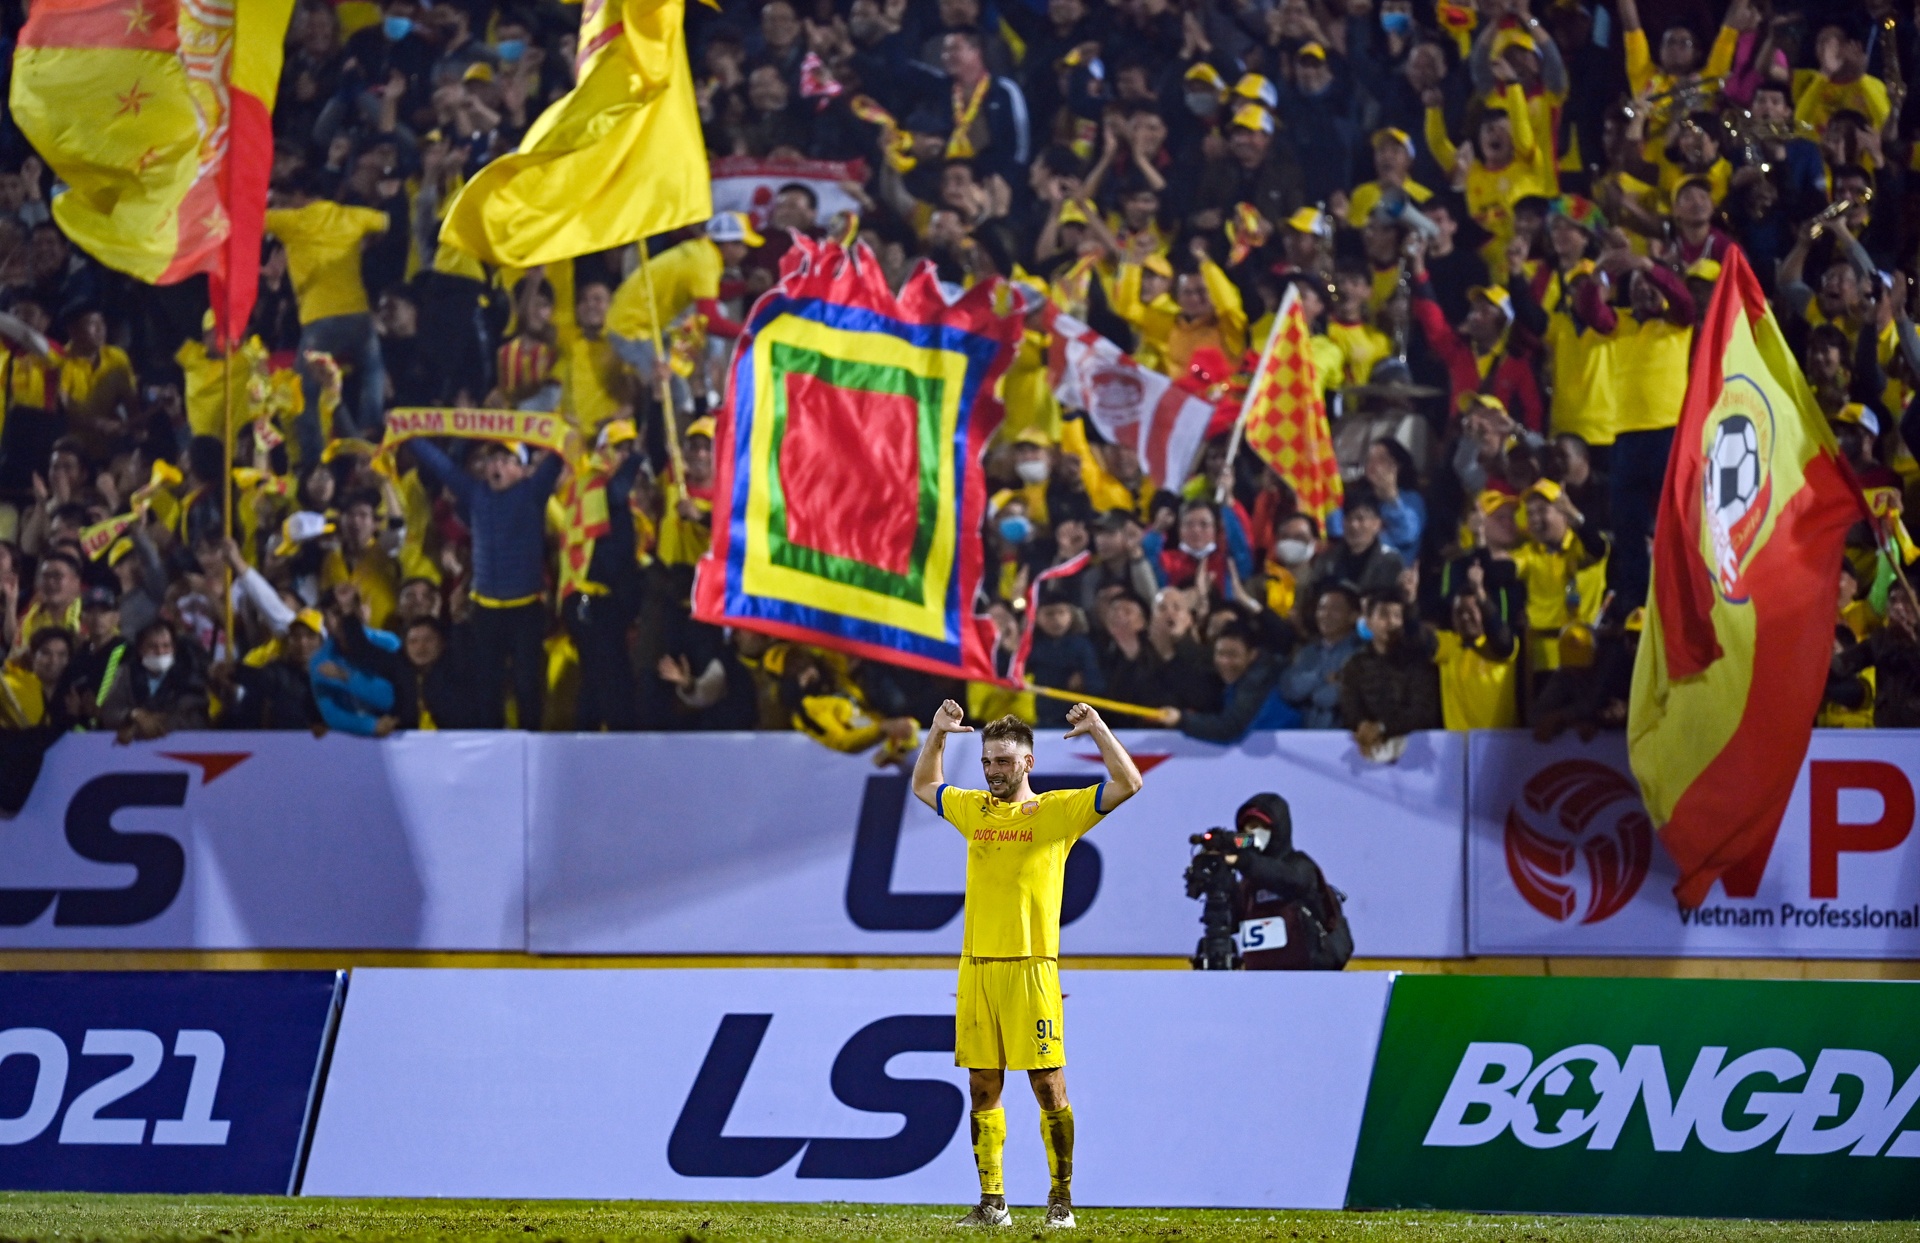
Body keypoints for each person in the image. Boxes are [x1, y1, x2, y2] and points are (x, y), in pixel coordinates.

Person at [911, 704, 1143, 1229]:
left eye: (1003, 761)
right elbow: (925, 784)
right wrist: (938, 734)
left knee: (1048, 1085)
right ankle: (993, 1203)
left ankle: (1060, 1199)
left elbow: (1128, 783)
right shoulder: (974, 810)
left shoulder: (1058, 812)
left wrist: (1097, 729)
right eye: (987, 761)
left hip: (1032, 968)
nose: (993, 771)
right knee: (982, 1086)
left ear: (1028, 763)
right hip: (977, 967)